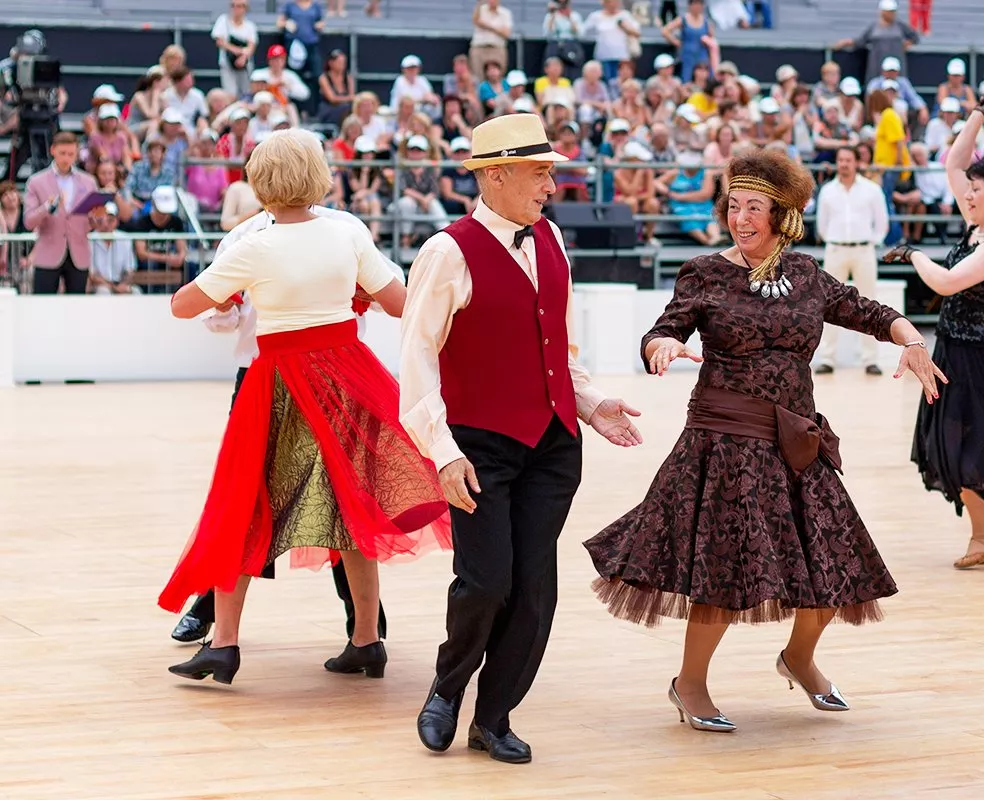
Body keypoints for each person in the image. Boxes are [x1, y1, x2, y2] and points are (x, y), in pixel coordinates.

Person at [583, 149, 945, 733]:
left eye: (755, 207)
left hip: (795, 441)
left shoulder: (805, 275)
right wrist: (662, 348)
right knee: (723, 576)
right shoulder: (705, 272)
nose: (741, 217)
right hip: (725, 444)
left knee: (832, 565)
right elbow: (664, 328)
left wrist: (913, 341)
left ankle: (798, 658)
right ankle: (690, 684)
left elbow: (871, 311)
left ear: (782, 216)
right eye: (735, 205)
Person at [159, 130, 452, 686]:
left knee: (244, 510)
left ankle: (223, 645)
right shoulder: (348, 234)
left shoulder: (252, 246)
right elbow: (399, 303)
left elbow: (182, 306)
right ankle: (367, 639)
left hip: (280, 384)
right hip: (349, 377)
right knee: (355, 509)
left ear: (260, 182)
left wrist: (228, 285)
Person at [400, 113, 643, 765]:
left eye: (551, 172)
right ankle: (446, 689)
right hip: (479, 446)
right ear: (496, 175)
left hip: (555, 445)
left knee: (535, 589)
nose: (550, 184)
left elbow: (558, 346)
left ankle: (494, 715)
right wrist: (443, 451)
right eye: (540, 171)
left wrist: (590, 404)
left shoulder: (554, 240)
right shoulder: (447, 252)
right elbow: (417, 358)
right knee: (485, 580)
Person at [170, 202, 402, 645]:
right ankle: (362, 629)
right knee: (256, 497)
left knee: (337, 497)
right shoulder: (248, 237)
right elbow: (220, 320)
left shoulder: (337, 229)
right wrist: (226, 306)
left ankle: (360, 621)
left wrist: (359, 295)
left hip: (332, 379)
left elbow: (387, 288)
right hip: (268, 378)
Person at [883, 108, 984, 568]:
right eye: (970, 190)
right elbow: (954, 165)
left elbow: (946, 282)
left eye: (976, 190)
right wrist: (979, 113)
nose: (967, 194)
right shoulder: (979, 226)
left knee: (961, 447)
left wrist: (914, 253)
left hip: (977, 358)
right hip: (952, 352)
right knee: (949, 443)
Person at [814, 146, 889, 375]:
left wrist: (870, 241)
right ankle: (827, 358)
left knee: (868, 302)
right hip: (835, 249)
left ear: (857, 162)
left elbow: (882, 223)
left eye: (848, 159)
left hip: (863, 250)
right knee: (828, 304)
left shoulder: (872, 190)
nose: (844, 163)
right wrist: (834, 241)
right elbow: (822, 225)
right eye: (840, 159)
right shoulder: (827, 190)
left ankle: (870, 359)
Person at [22, 132, 96, 294]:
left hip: (79, 253)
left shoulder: (89, 182)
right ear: (52, 150)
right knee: (43, 307)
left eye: (71, 154)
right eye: (62, 153)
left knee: (76, 307)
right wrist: (47, 207)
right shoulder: (36, 181)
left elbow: (92, 224)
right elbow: (28, 221)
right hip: (47, 253)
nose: (66, 158)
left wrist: (98, 216)